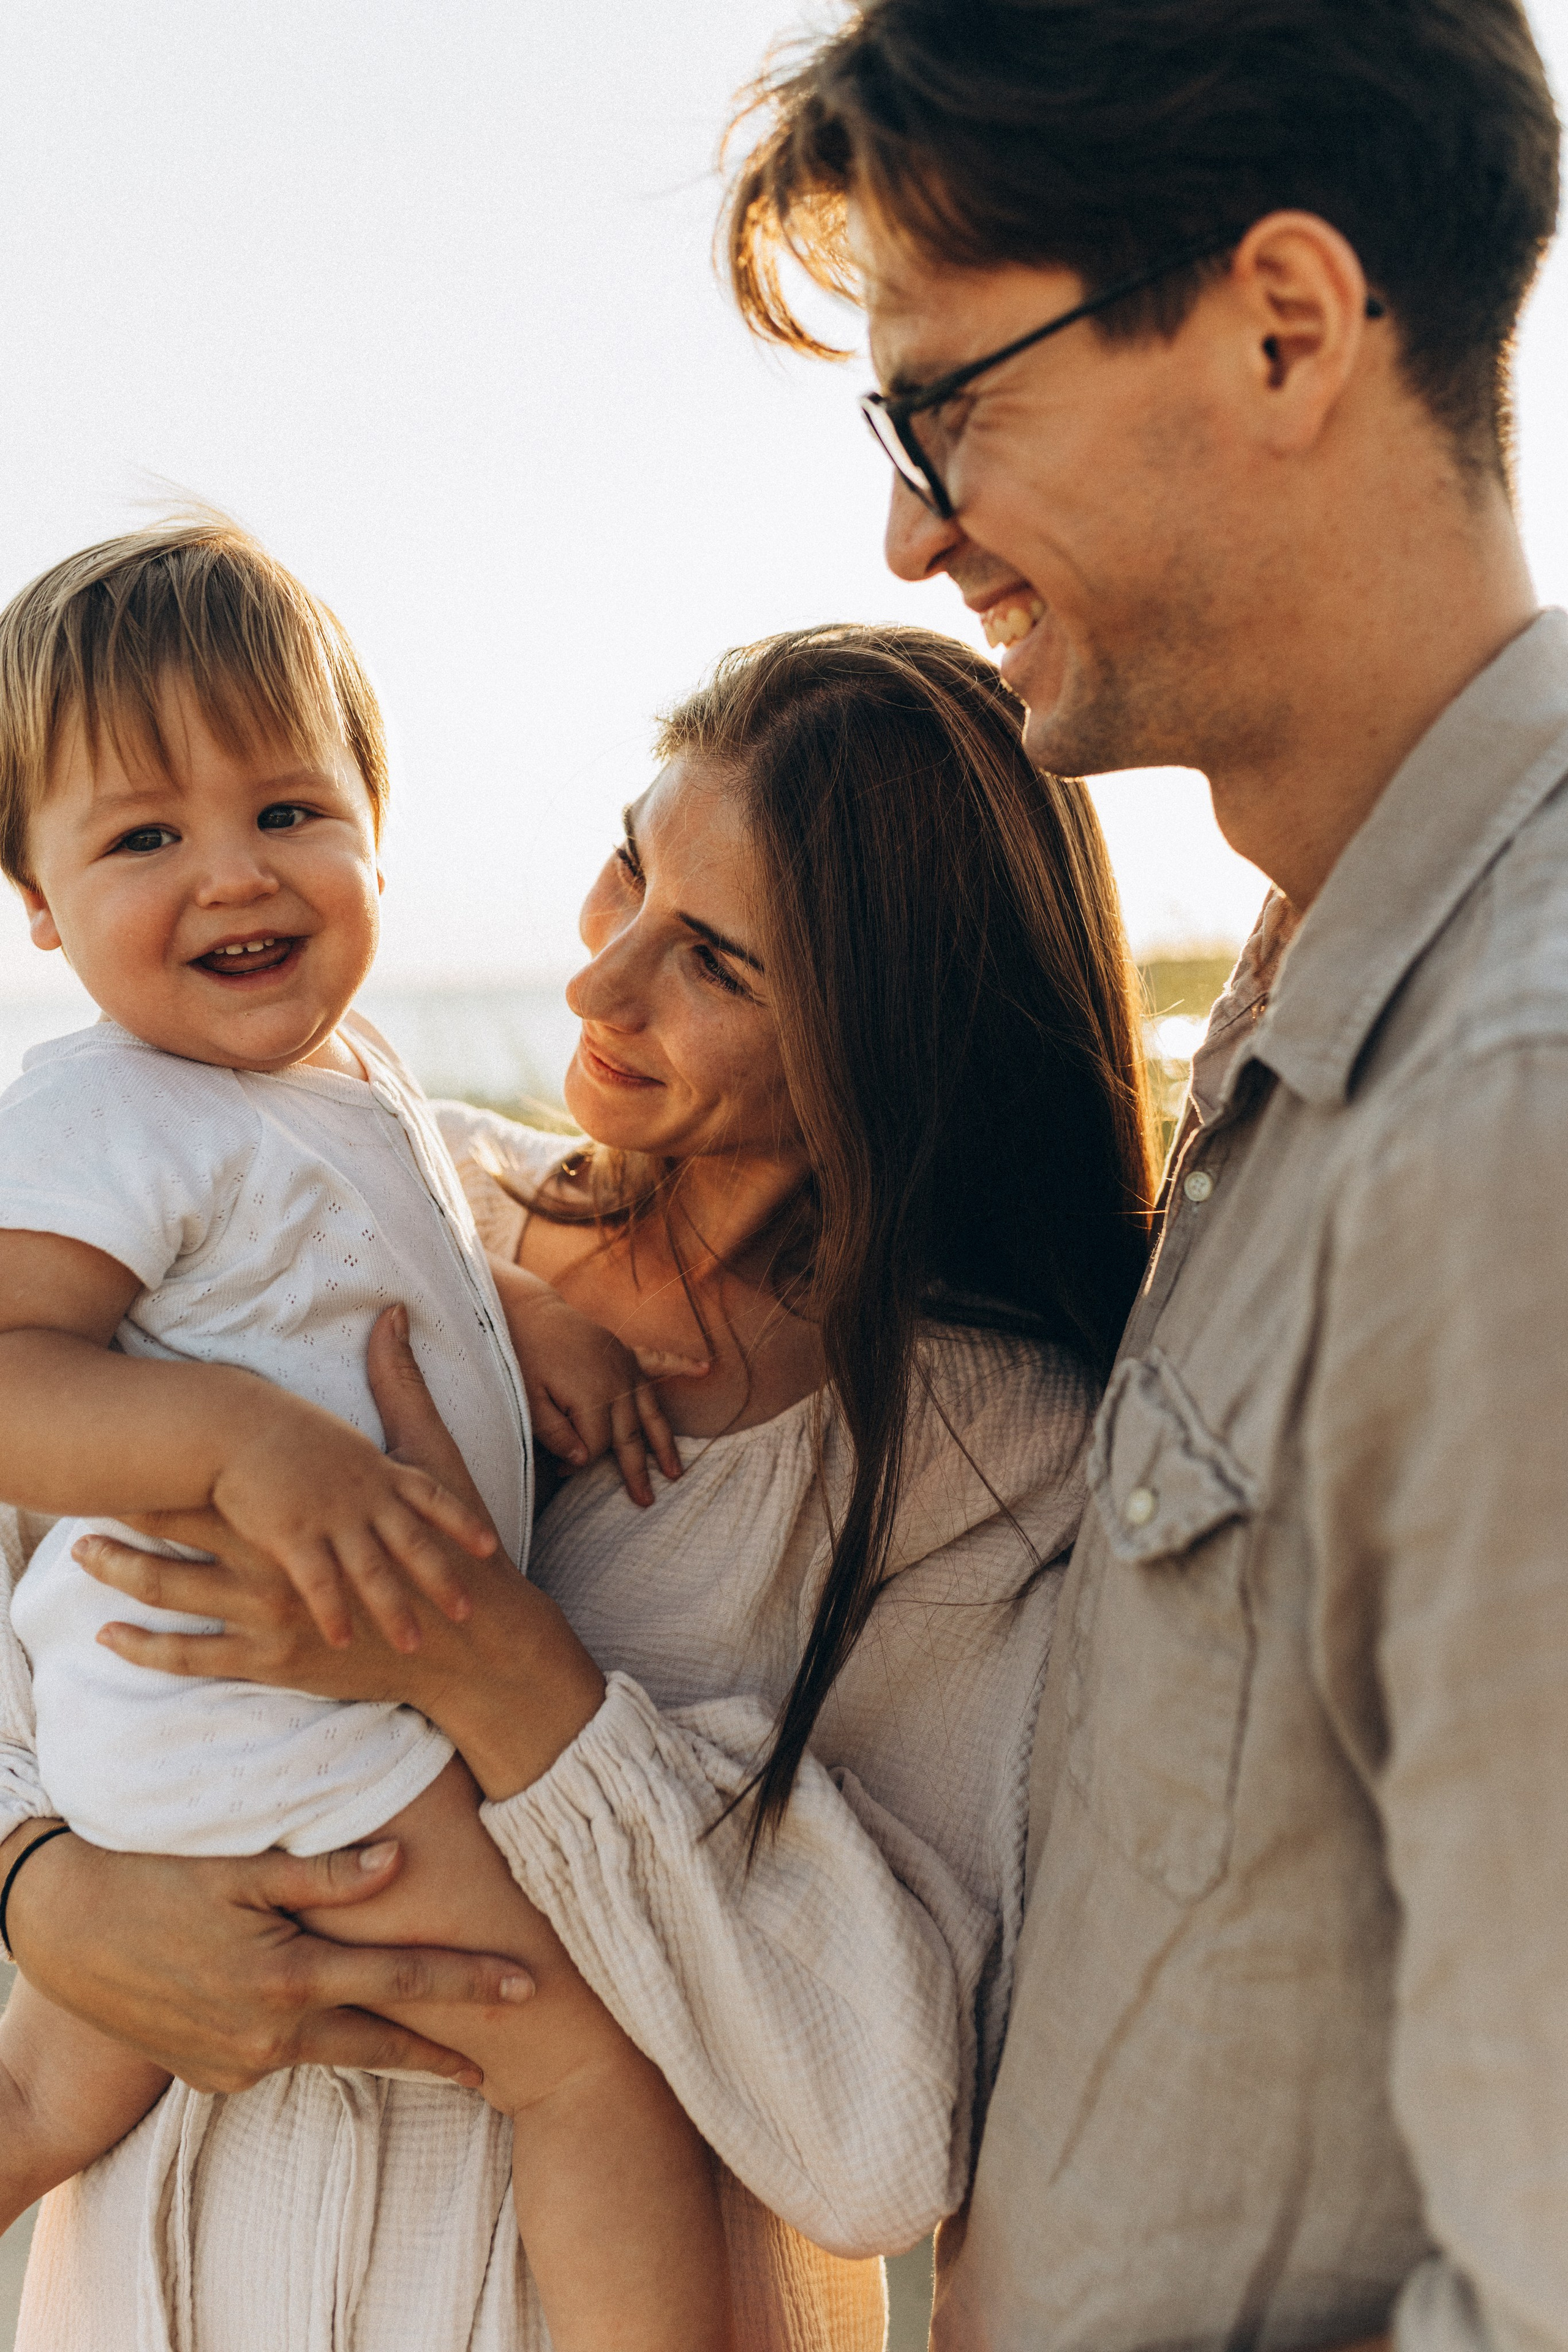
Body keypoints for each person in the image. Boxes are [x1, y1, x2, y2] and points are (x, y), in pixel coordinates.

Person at [0, 622, 1155, 2348]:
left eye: (717, 963)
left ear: (892, 1033)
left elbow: (879, 2139)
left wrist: (491, 1663)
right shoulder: (364, 1186)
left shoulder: (979, 1449)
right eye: (628, 869)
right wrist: (44, 1889)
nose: (598, 988)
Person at [721, 1, 1568, 2348]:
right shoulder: (1319, 1007)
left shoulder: (1512, 1123)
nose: (906, 522)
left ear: (1286, 326)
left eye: (949, 404)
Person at [0, 516, 734, 2352]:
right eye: (144, 836)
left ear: (374, 826)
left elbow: (385, 1257)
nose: (233, 873)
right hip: (269, 1727)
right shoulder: (101, 1112)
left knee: (47, 2102)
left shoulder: (352, 1077)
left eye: (288, 809)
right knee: (584, 2063)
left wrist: (537, 1316)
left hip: (196, 1748)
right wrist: (240, 1443)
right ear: (33, 895)